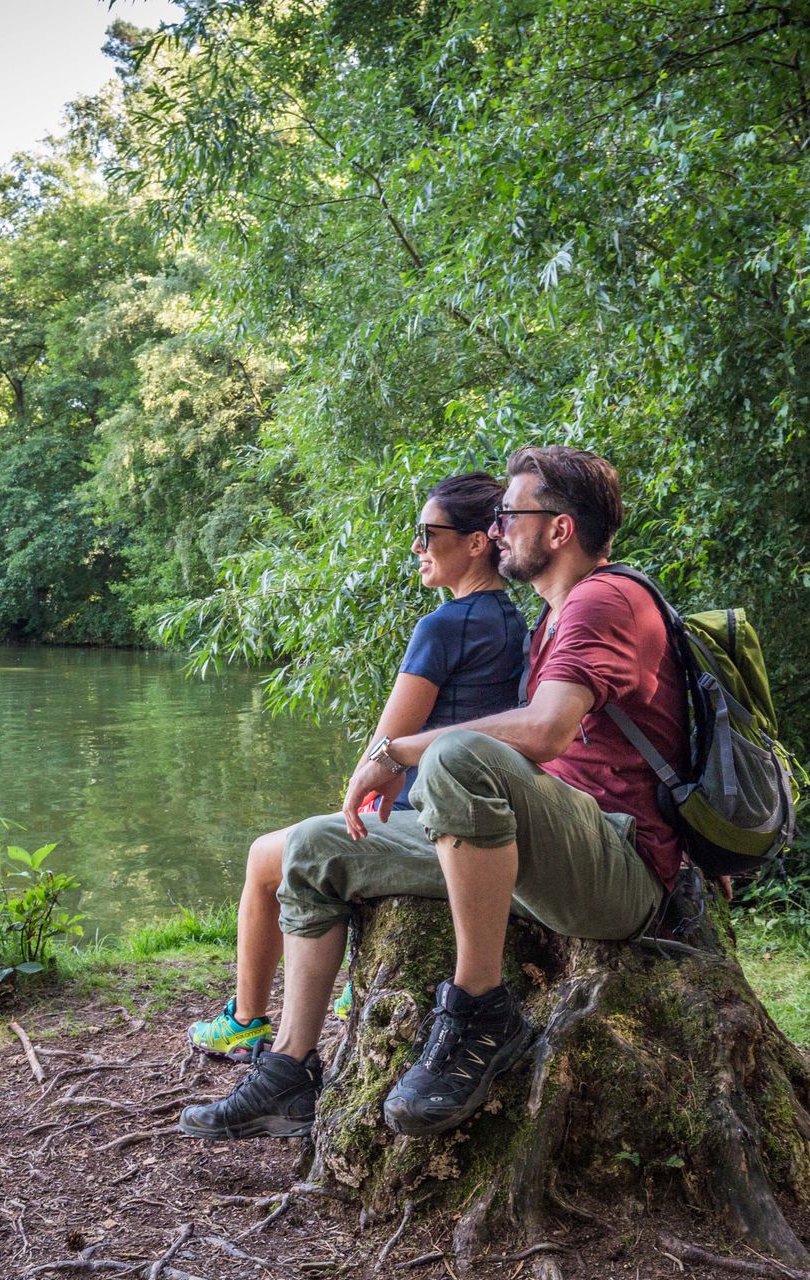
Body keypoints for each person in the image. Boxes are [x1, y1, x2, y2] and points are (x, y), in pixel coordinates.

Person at [178, 444, 686, 1141]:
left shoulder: (605, 599)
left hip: (616, 870)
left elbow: (546, 731)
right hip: (550, 852)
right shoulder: (550, 617)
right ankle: (289, 1072)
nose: (498, 529)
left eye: (510, 514)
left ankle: (479, 1011)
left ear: (559, 529)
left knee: (455, 755)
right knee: (313, 849)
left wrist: (400, 751)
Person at [186, 472, 528, 1062]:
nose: (417, 546)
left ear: (476, 543)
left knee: (264, 857)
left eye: (428, 533)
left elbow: (384, 747)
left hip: (427, 820)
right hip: (468, 819)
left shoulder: (444, 626)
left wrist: (358, 793)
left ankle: (245, 1020)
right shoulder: (510, 619)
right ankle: (350, 987)